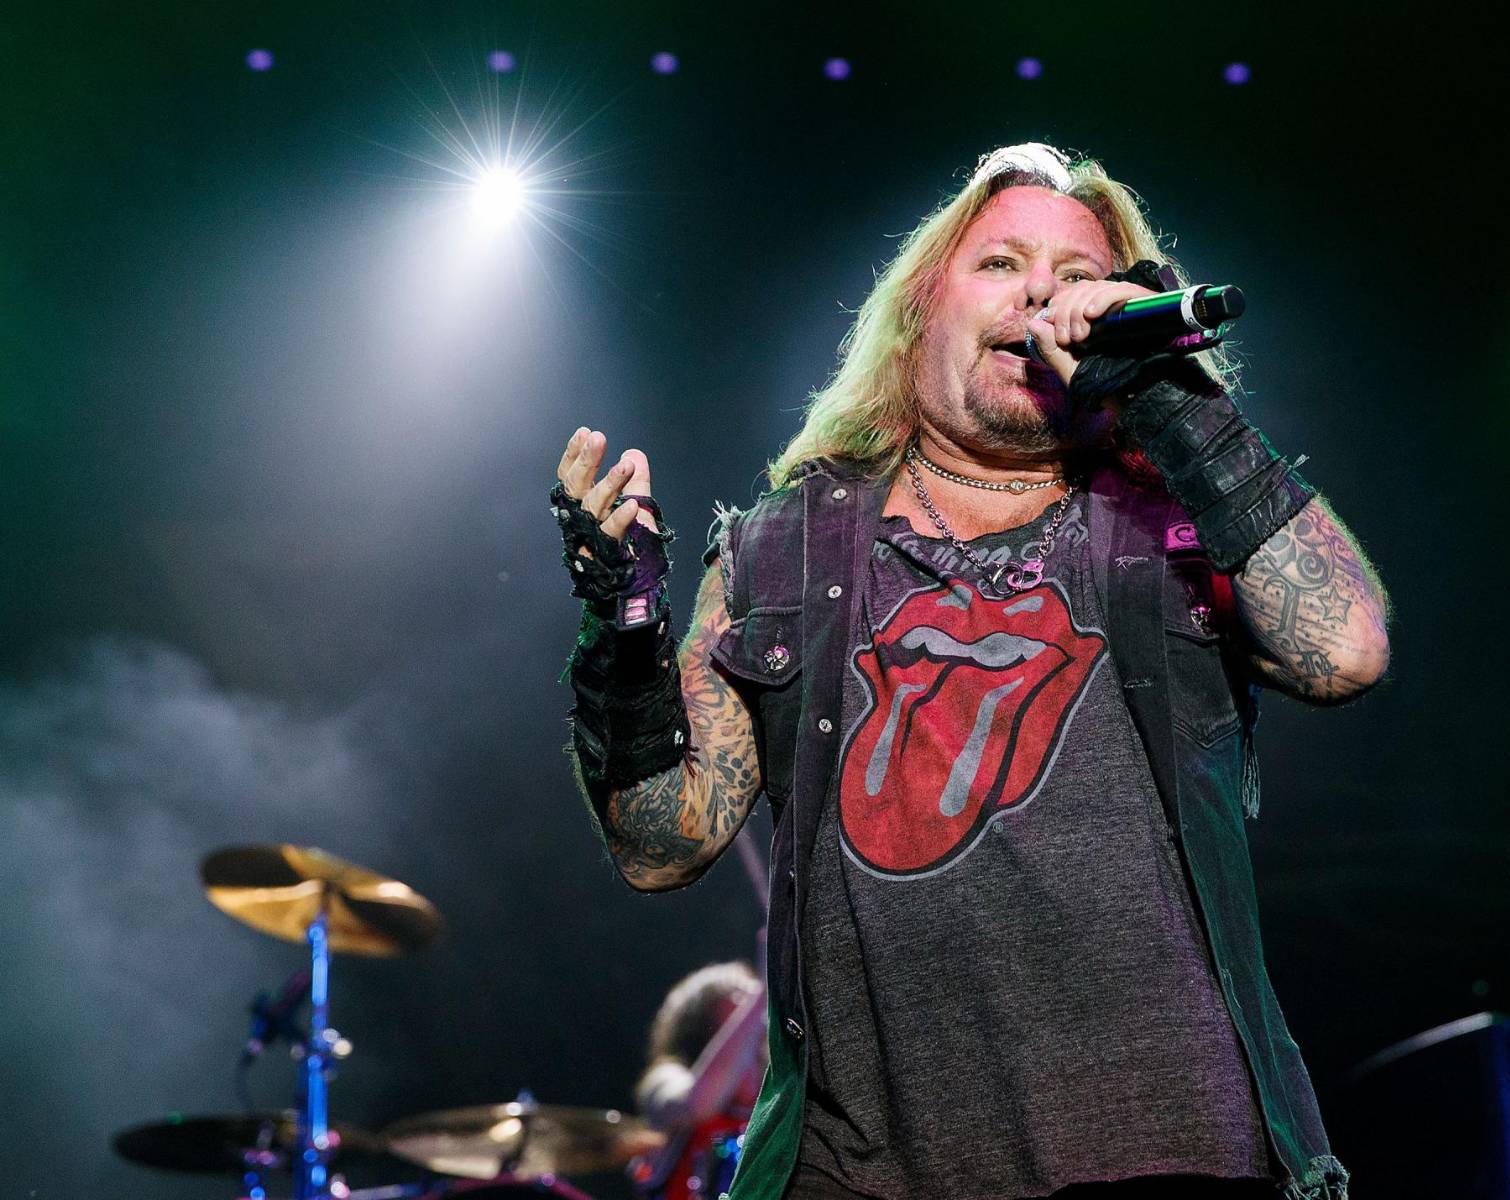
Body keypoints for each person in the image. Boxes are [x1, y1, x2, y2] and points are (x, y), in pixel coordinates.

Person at [550, 143, 1389, 1200]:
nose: (1040, 292)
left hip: (1167, 1151)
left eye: (1077, 276)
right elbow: (661, 846)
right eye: (1000, 263)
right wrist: (623, 625)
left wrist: (1174, 403)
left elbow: (1344, 651)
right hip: (857, 1173)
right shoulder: (782, 549)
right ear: (919, 314)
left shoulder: (1174, 523)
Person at [630, 960, 769, 1200]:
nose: (758, 1011)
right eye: (740, 997)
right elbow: (697, 1104)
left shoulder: (778, 1094)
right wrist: (762, 995)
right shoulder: (664, 1078)